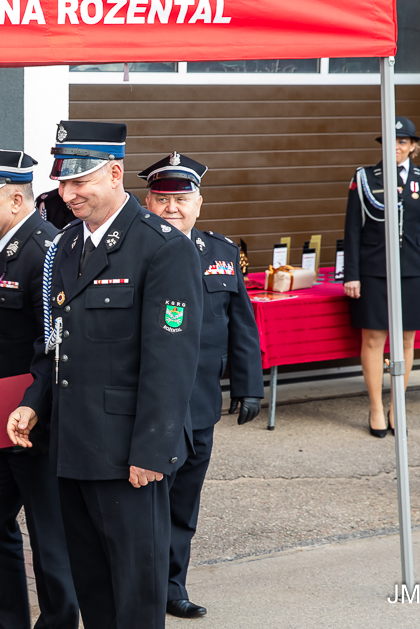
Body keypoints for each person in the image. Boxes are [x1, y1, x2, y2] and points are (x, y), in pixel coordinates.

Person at [7, 121, 203, 629]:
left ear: (115, 174)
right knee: (92, 586)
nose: (67, 194)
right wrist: (34, 401)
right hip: (73, 445)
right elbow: (56, 343)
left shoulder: (162, 247)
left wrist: (152, 451)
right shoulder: (67, 245)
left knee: (135, 594)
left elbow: (170, 360)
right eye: (63, 182)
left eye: (80, 181)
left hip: (128, 455)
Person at [0, 147, 79, 629]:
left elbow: (52, 345)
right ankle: (4, 620)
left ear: (14, 199)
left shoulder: (47, 252)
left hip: (35, 418)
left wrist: (32, 406)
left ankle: (58, 621)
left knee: (50, 534)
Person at [141, 152, 264, 619]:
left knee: (183, 504)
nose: (172, 207)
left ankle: (172, 587)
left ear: (199, 203)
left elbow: (241, 325)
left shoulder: (222, 253)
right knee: (146, 504)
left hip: (201, 405)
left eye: (182, 199)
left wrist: (249, 385)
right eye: (162, 198)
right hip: (150, 406)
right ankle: (141, 588)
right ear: (147, 202)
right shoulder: (136, 249)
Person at [343, 116, 420, 437]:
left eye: (403, 141)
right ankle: (376, 406)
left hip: (413, 271)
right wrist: (352, 275)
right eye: (392, 140)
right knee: (374, 339)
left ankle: (396, 406)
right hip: (373, 271)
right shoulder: (364, 177)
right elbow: (352, 229)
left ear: (413, 146)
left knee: (405, 340)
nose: (397, 146)